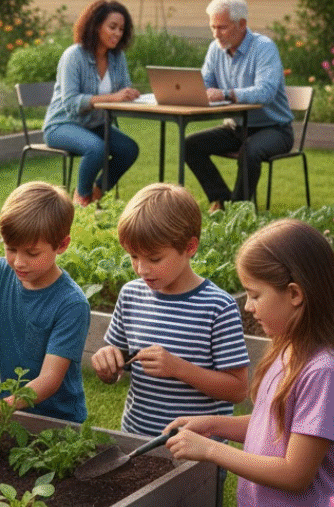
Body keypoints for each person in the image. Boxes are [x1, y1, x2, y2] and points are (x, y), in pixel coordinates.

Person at [164, 219, 334, 506]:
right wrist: (213, 425)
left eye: (255, 295)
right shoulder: (288, 348)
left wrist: (211, 450)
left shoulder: (324, 373)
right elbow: (274, 428)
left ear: (295, 294)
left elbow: (295, 474)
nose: (248, 306)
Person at [91, 183, 249, 437]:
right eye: (133, 256)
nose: (142, 269)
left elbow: (238, 390)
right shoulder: (131, 295)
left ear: (189, 247)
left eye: (154, 259)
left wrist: (177, 368)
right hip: (137, 438)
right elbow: (121, 361)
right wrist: (107, 363)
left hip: (197, 448)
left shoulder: (218, 307)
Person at [0, 181, 90, 424]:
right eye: (11, 249)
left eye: (32, 253)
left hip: (57, 420)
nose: (19, 262)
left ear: (62, 245)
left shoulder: (71, 304)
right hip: (5, 411)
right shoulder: (0, 273)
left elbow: (49, 380)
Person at [184, 0, 294, 212]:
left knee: (250, 150)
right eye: (213, 27)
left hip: (275, 129)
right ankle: (222, 200)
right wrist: (189, 91)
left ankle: (238, 210)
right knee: (189, 145)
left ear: (242, 24)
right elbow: (204, 84)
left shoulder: (264, 48)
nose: (216, 34)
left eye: (222, 27)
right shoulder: (215, 49)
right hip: (236, 128)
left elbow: (265, 92)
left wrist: (226, 94)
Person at [43, 0, 141, 208]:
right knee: (96, 149)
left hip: (94, 125)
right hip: (62, 124)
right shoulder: (74, 56)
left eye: (121, 29)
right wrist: (112, 97)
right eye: (112, 27)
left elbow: (123, 89)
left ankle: (96, 193)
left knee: (129, 149)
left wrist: (129, 95)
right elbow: (71, 103)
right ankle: (81, 200)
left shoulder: (118, 58)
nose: (117, 33)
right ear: (96, 26)